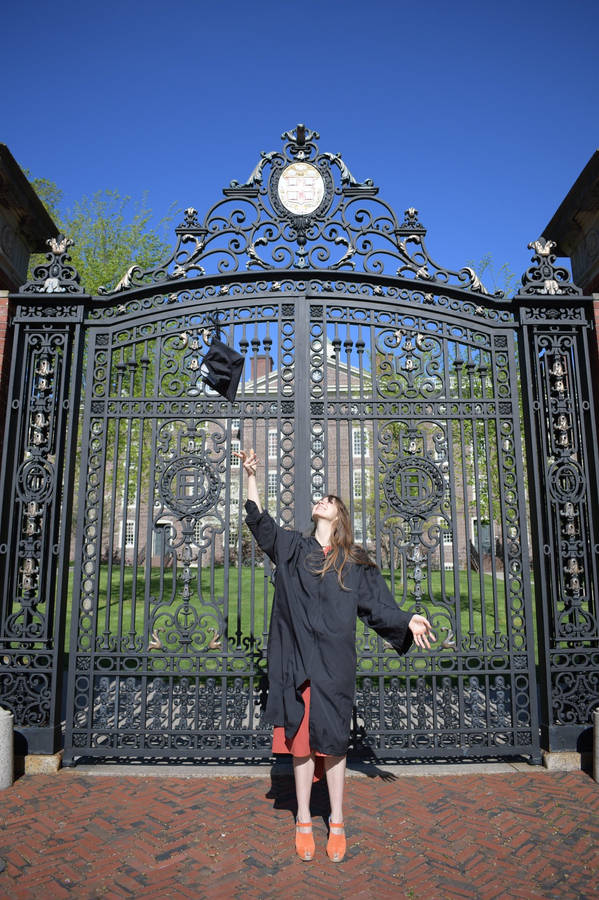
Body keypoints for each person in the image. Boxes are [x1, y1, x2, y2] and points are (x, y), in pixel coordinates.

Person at [236, 448, 436, 863]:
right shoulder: (292, 548)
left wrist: (408, 618)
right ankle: (305, 819)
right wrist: (250, 475)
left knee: (335, 744)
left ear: (340, 517)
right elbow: (260, 524)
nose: (323, 501)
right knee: (302, 742)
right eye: (321, 499)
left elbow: (377, 607)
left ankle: (339, 820)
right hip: (296, 660)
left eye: (330, 500)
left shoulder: (354, 563)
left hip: (334, 663)